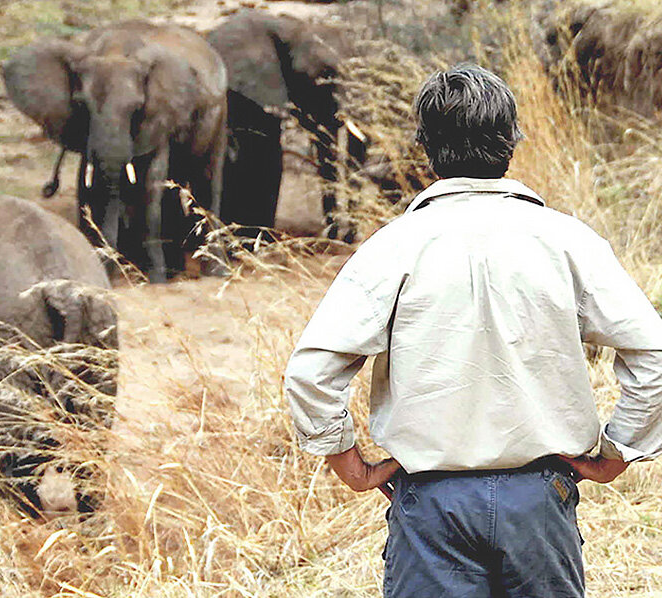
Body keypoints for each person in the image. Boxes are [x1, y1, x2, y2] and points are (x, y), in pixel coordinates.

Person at [284, 64, 662, 597]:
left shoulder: (394, 247)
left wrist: (350, 464)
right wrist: (618, 452)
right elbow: (655, 354)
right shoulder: (568, 242)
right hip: (540, 500)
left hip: (430, 507)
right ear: (512, 140)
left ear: (425, 148)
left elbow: (310, 372)